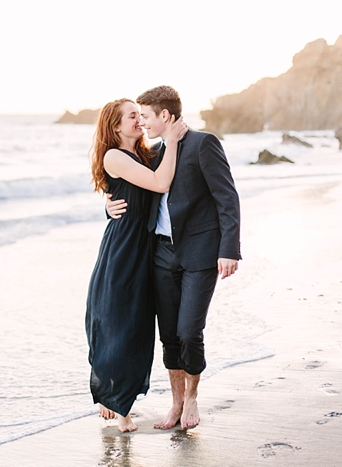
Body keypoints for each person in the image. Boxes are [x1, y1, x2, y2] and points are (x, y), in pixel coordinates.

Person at [106, 86, 241, 430]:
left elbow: (227, 198)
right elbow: (133, 189)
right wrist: (109, 208)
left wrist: (229, 249)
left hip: (199, 253)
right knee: (168, 334)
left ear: (164, 116)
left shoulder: (203, 144)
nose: (143, 124)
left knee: (189, 331)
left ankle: (193, 396)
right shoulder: (153, 153)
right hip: (160, 253)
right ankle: (176, 402)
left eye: (147, 116)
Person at [86, 98, 187, 433]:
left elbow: (147, 186)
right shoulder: (114, 156)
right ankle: (115, 402)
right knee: (118, 322)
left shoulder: (146, 153)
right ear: (116, 126)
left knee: (139, 326)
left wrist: (171, 139)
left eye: (140, 115)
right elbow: (160, 183)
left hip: (145, 248)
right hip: (123, 250)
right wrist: (171, 141)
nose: (140, 121)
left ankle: (121, 400)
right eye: (133, 116)